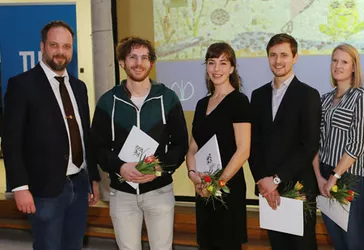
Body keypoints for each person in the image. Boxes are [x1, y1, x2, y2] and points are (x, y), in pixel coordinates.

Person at [1, 20, 100, 250]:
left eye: (66, 46)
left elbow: (85, 135)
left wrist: (92, 178)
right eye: (54, 45)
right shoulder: (21, 85)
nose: (60, 52)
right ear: (43, 46)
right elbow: (11, 140)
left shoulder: (79, 87)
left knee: (74, 245)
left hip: (79, 184)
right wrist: (20, 187)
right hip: (43, 191)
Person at [91, 37, 188, 250]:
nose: (139, 63)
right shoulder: (108, 101)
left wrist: (159, 167)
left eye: (145, 57)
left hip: (159, 192)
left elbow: (180, 145)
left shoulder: (168, 98)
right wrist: (120, 167)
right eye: (132, 57)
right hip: (122, 193)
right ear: (122, 62)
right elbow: (97, 146)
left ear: (151, 63)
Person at [248, 33, 321, 250]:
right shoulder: (258, 95)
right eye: (273, 55)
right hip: (267, 191)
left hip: (297, 187)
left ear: (295, 57)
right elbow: (253, 144)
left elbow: (309, 145)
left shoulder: (308, 94)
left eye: (284, 55)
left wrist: (277, 180)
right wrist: (263, 180)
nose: (278, 61)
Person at [185, 42, 251, 250]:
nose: (216, 69)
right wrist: (193, 175)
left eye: (223, 63)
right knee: (206, 243)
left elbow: (243, 150)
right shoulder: (201, 104)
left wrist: (217, 183)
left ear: (232, 68)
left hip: (227, 188)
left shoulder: (239, 101)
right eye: (212, 63)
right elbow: (193, 148)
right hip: (203, 188)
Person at [313, 43, 364, 250]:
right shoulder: (324, 99)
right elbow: (315, 142)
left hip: (352, 177)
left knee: (354, 243)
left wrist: (334, 176)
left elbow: (357, 143)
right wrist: (320, 177)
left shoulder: (362, 96)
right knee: (338, 243)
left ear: (354, 67)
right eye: (335, 60)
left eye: (344, 62)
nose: (338, 65)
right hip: (324, 176)